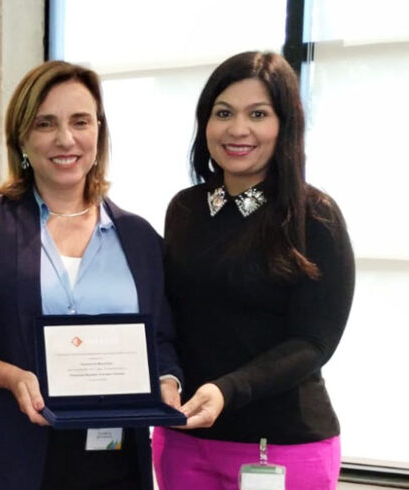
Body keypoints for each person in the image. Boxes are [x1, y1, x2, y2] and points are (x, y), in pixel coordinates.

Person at [0, 60, 182, 490]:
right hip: (6, 458)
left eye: (80, 121)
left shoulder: (139, 237)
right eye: (45, 123)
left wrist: (166, 381)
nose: (65, 139)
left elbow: (161, 340)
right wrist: (9, 376)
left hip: (116, 460)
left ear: (98, 131)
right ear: (21, 138)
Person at [151, 51, 355, 489]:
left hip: (282, 446)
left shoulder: (315, 216)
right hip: (185, 438)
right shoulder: (185, 209)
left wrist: (228, 389)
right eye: (223, 113)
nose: (238, 129)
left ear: (285, 125)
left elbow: (314, 341)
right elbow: (170, 316)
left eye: (258, 114)